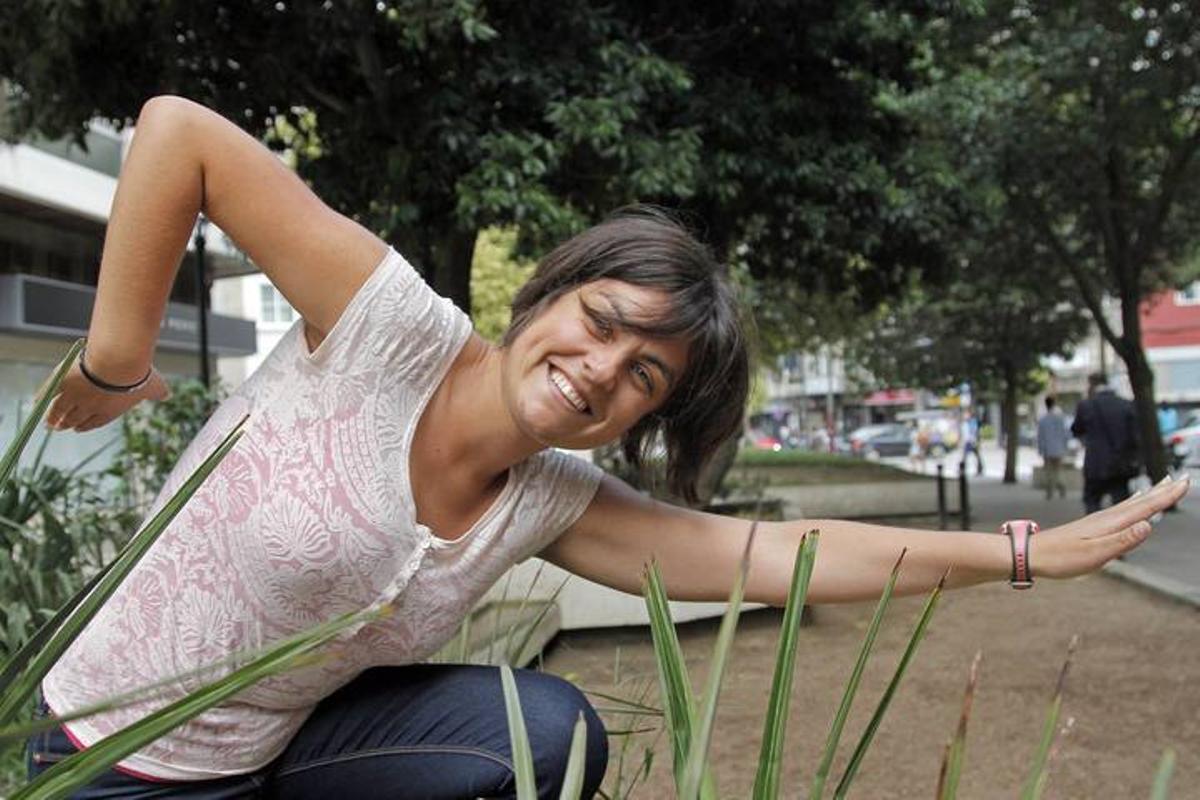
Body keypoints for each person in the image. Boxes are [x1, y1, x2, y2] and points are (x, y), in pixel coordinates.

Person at [28, 97, 1185, 799]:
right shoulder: (388, 326)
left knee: (546, 733)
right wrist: (116, 360)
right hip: (103, 755)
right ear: (548, 294)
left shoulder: (551, 498)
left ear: (641, 418)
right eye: (601, 322)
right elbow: (179, 136)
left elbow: (779, 558)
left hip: (283, 755)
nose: (601, 368)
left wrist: (1022, 552)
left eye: (644, 376)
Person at [1070, 373, 1142, 513]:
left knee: (1092, 502)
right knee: (1121, 505)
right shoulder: (1126, 405)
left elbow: (1076, 430)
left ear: (1091, 385)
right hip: (1120, 464)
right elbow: (1135, 438)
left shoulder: (1086, 405)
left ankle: (1096, 527)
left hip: (1095, 464)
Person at [1037, 396, 1070, 500]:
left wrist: (1040, 449)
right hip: (1059, 449)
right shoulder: (1060, 419)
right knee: (1058, 470)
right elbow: (1066, 434)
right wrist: (1065, 446)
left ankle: (1049, 491)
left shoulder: (1043, 420)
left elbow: (1040, 437)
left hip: (1047, 450)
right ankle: (1061, 487)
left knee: (1049, 472)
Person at [959, 409, 984, 476]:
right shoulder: (965, 423)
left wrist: (974, 441)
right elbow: (964, 433)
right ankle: (963, 469)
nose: (965, 416)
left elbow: (974, 432)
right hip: (968, 442)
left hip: (972, 442)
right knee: (966, 456)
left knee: (974, 456)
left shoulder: (972, 422)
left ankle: (979, 469)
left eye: (966, 415)